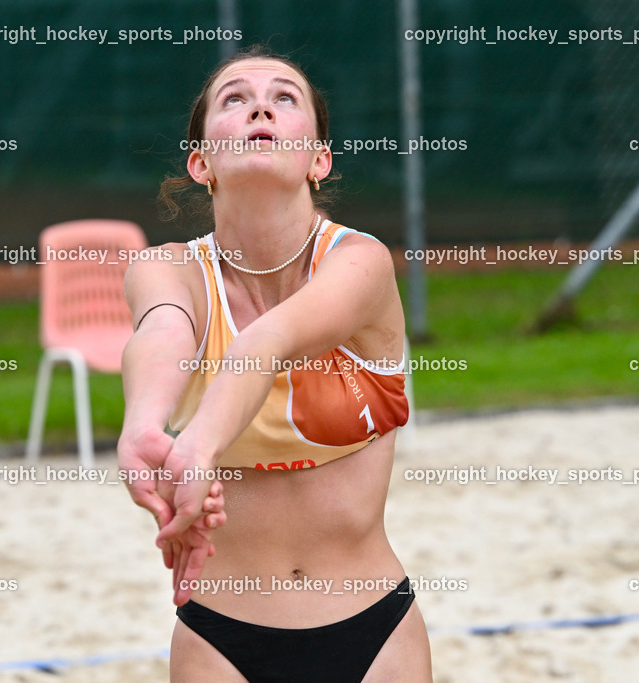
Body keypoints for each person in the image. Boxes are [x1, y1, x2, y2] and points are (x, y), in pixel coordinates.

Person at [117, 45, 432, 682]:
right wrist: (143, 426)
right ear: (201, 161)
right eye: (234, 98)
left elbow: (266, 343)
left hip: (373, 628)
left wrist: (198, 447)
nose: (260, 104)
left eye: (285, 97)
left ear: (319, 159)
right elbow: (162, 333)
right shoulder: (167, 269)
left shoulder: (359, 262)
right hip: (220, 637)